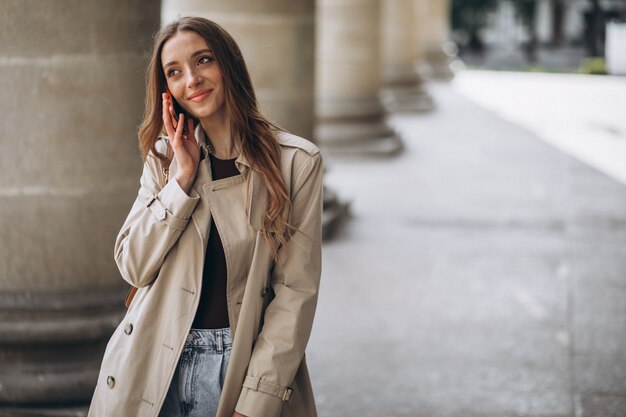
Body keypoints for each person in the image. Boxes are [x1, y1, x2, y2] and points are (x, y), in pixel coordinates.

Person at [87, 16, 323, 417]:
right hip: (152, 357)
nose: (191, 80)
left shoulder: (295, 163)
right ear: (167, 91)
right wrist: (180, 180)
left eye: (203, 60)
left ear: (228, 64)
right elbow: (133, 265)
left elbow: (295, 294)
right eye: (174, 72)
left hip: (238, 365)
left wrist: (256, 400)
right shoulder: (164, 160)